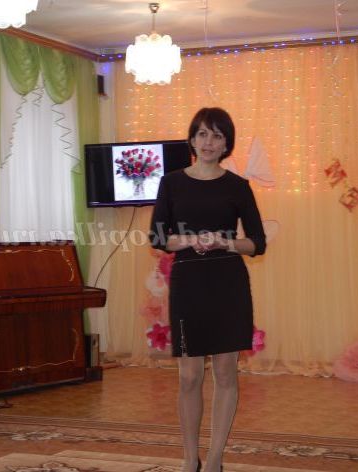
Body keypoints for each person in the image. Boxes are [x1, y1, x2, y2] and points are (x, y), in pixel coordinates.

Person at [149, 108, 266, 472]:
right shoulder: (171, 183)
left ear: (227, 143)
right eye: (202, 134)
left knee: (226, 373)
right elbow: (158, 237)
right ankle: (190, 459)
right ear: (192, 139)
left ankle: (215, 459)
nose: (209, 142)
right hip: (188, 283)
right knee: (189, 376)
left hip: (228, 283)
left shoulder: (238, 187)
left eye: (217, 135)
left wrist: (224, 243)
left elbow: (257, 243)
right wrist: (191, 240)